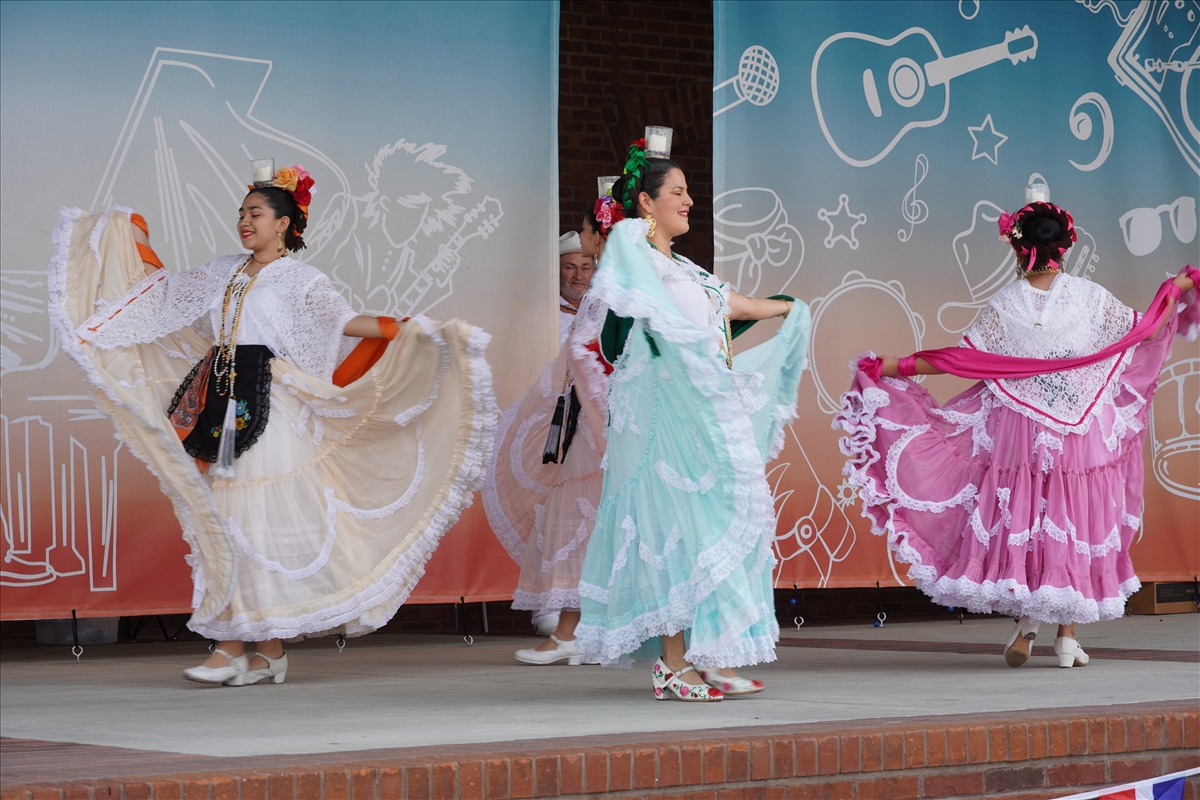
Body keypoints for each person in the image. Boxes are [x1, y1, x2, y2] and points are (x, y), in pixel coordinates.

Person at [49, 163, 497, 686]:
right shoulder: (223, 271)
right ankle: (268, 652)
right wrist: (127, 240)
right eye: (241, 213)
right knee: (229, 518)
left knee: (249, 520)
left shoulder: (301, 280)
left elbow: (343, 322)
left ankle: (232, 648)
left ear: (283, 223)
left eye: (256, 213)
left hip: (270, 406)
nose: (244, 221)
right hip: (221, 403)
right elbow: (161, 296)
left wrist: (411, 328)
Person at [836, 183, 1198, 669]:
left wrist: (894, 365)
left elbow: (960, 359)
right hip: (1079, 428)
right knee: (1070, 519)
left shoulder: (1007, 303)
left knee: (1029, 519)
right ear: (1065, 246)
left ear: (1016, 246)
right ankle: (1066, 638)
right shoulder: (1089, 298)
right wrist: (1177, 288)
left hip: (1019, 429)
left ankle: (1028, 621)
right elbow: (1145, 329)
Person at [575, 136, 811, 701]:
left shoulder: (689, 271)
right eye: (677, 192)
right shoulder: (635, 254)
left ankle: (711, 652)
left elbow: (736, 307)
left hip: (697, 422)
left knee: (713, 530)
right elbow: (621, 322)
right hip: (660, 426)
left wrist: (792, 307)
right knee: (675, 533)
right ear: (647, 203)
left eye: (687, 192)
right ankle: (672, 664)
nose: (688, 201)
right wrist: (624, 230)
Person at [484, 191, 624, 665]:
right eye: (570, 265)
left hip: (606, 419)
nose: (579, 270)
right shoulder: (555, 310)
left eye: (587, 256)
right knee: (577, 513)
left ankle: (581, 626)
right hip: (582, 419)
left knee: (593, 515)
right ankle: (567, 622)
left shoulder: (614, 293)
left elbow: (593, 359)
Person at [558, 232, 595, 345]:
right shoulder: (546, 313)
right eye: (570, 268)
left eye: (585, 268)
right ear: (557, 270)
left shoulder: (599, 309)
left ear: (593, 272)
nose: (578, 276)